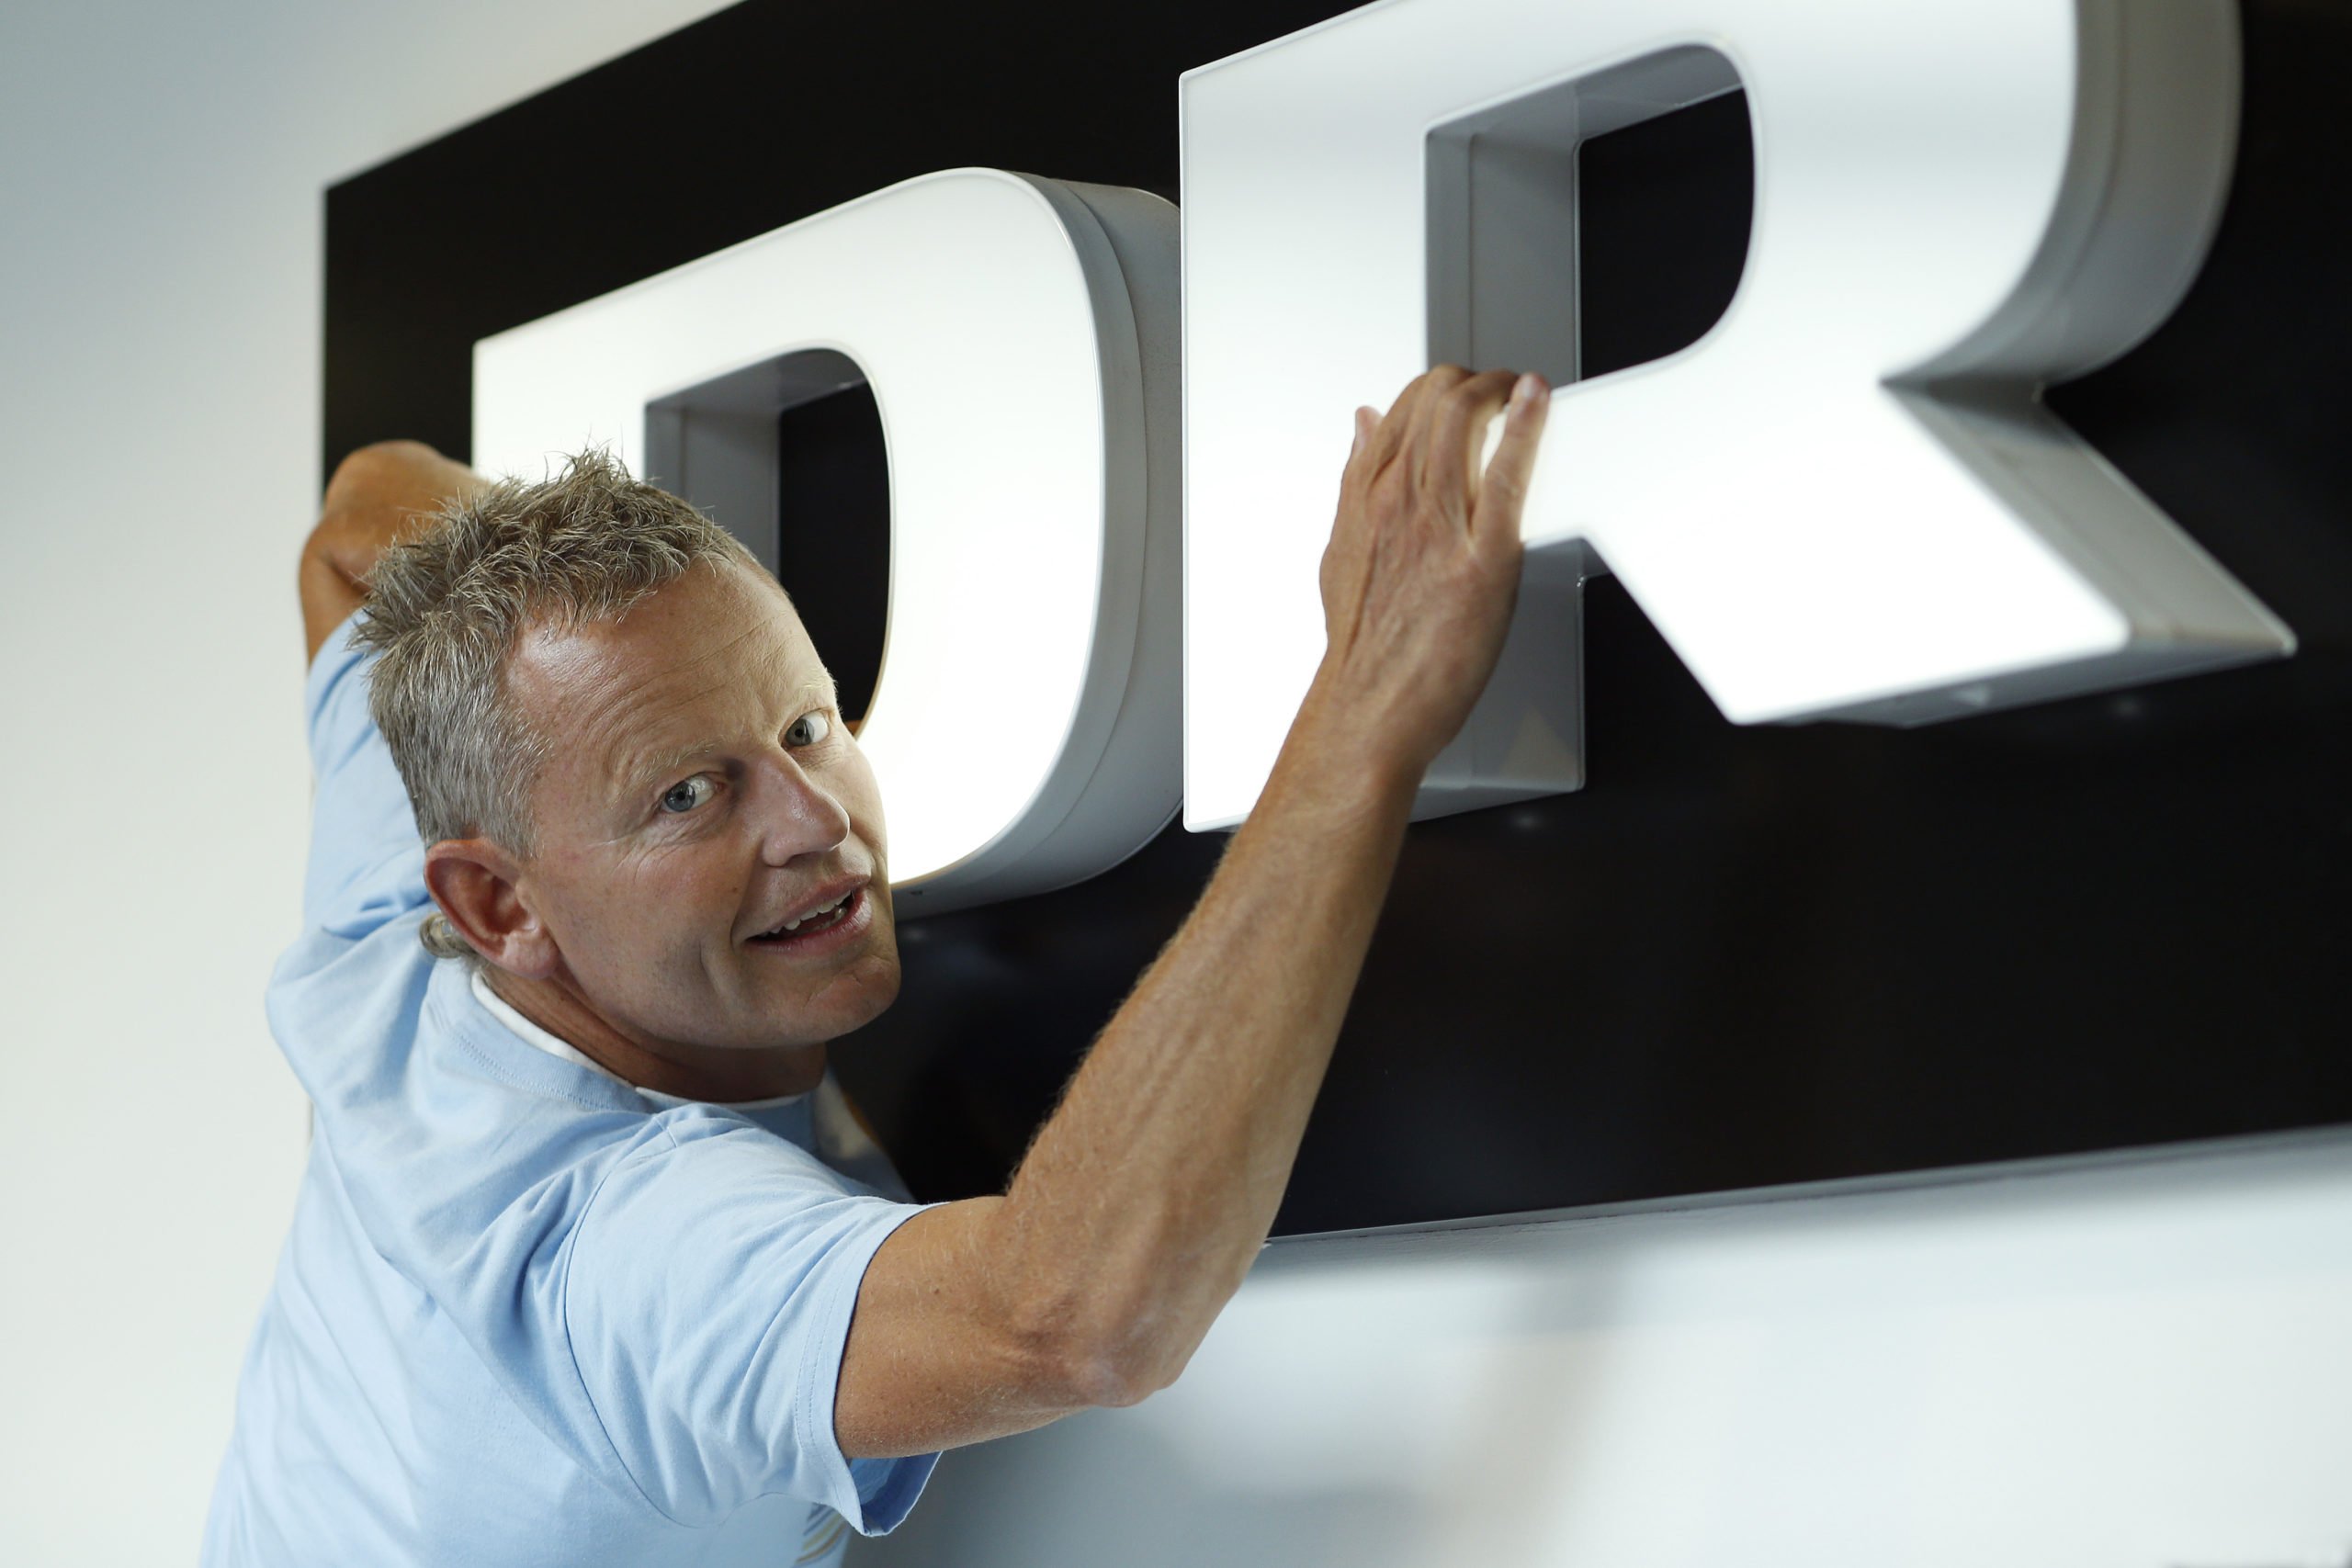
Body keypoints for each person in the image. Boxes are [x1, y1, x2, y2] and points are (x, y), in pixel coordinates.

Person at [201, 366, 1551, 1565]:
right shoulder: (630, 1264)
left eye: (806, 724)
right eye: (687, 794)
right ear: (499, 904)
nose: (817, 823)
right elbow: (1074, 1321)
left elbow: (358, 519)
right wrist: (1369, 696)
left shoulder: (397, 924)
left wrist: (577, 632)